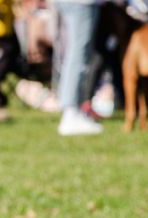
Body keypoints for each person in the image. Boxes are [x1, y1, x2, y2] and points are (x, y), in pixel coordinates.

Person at [52, 0, 103, 135]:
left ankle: (77, 111)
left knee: (81, 55)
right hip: (81, 3)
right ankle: (70, 112)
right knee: (78, 55)